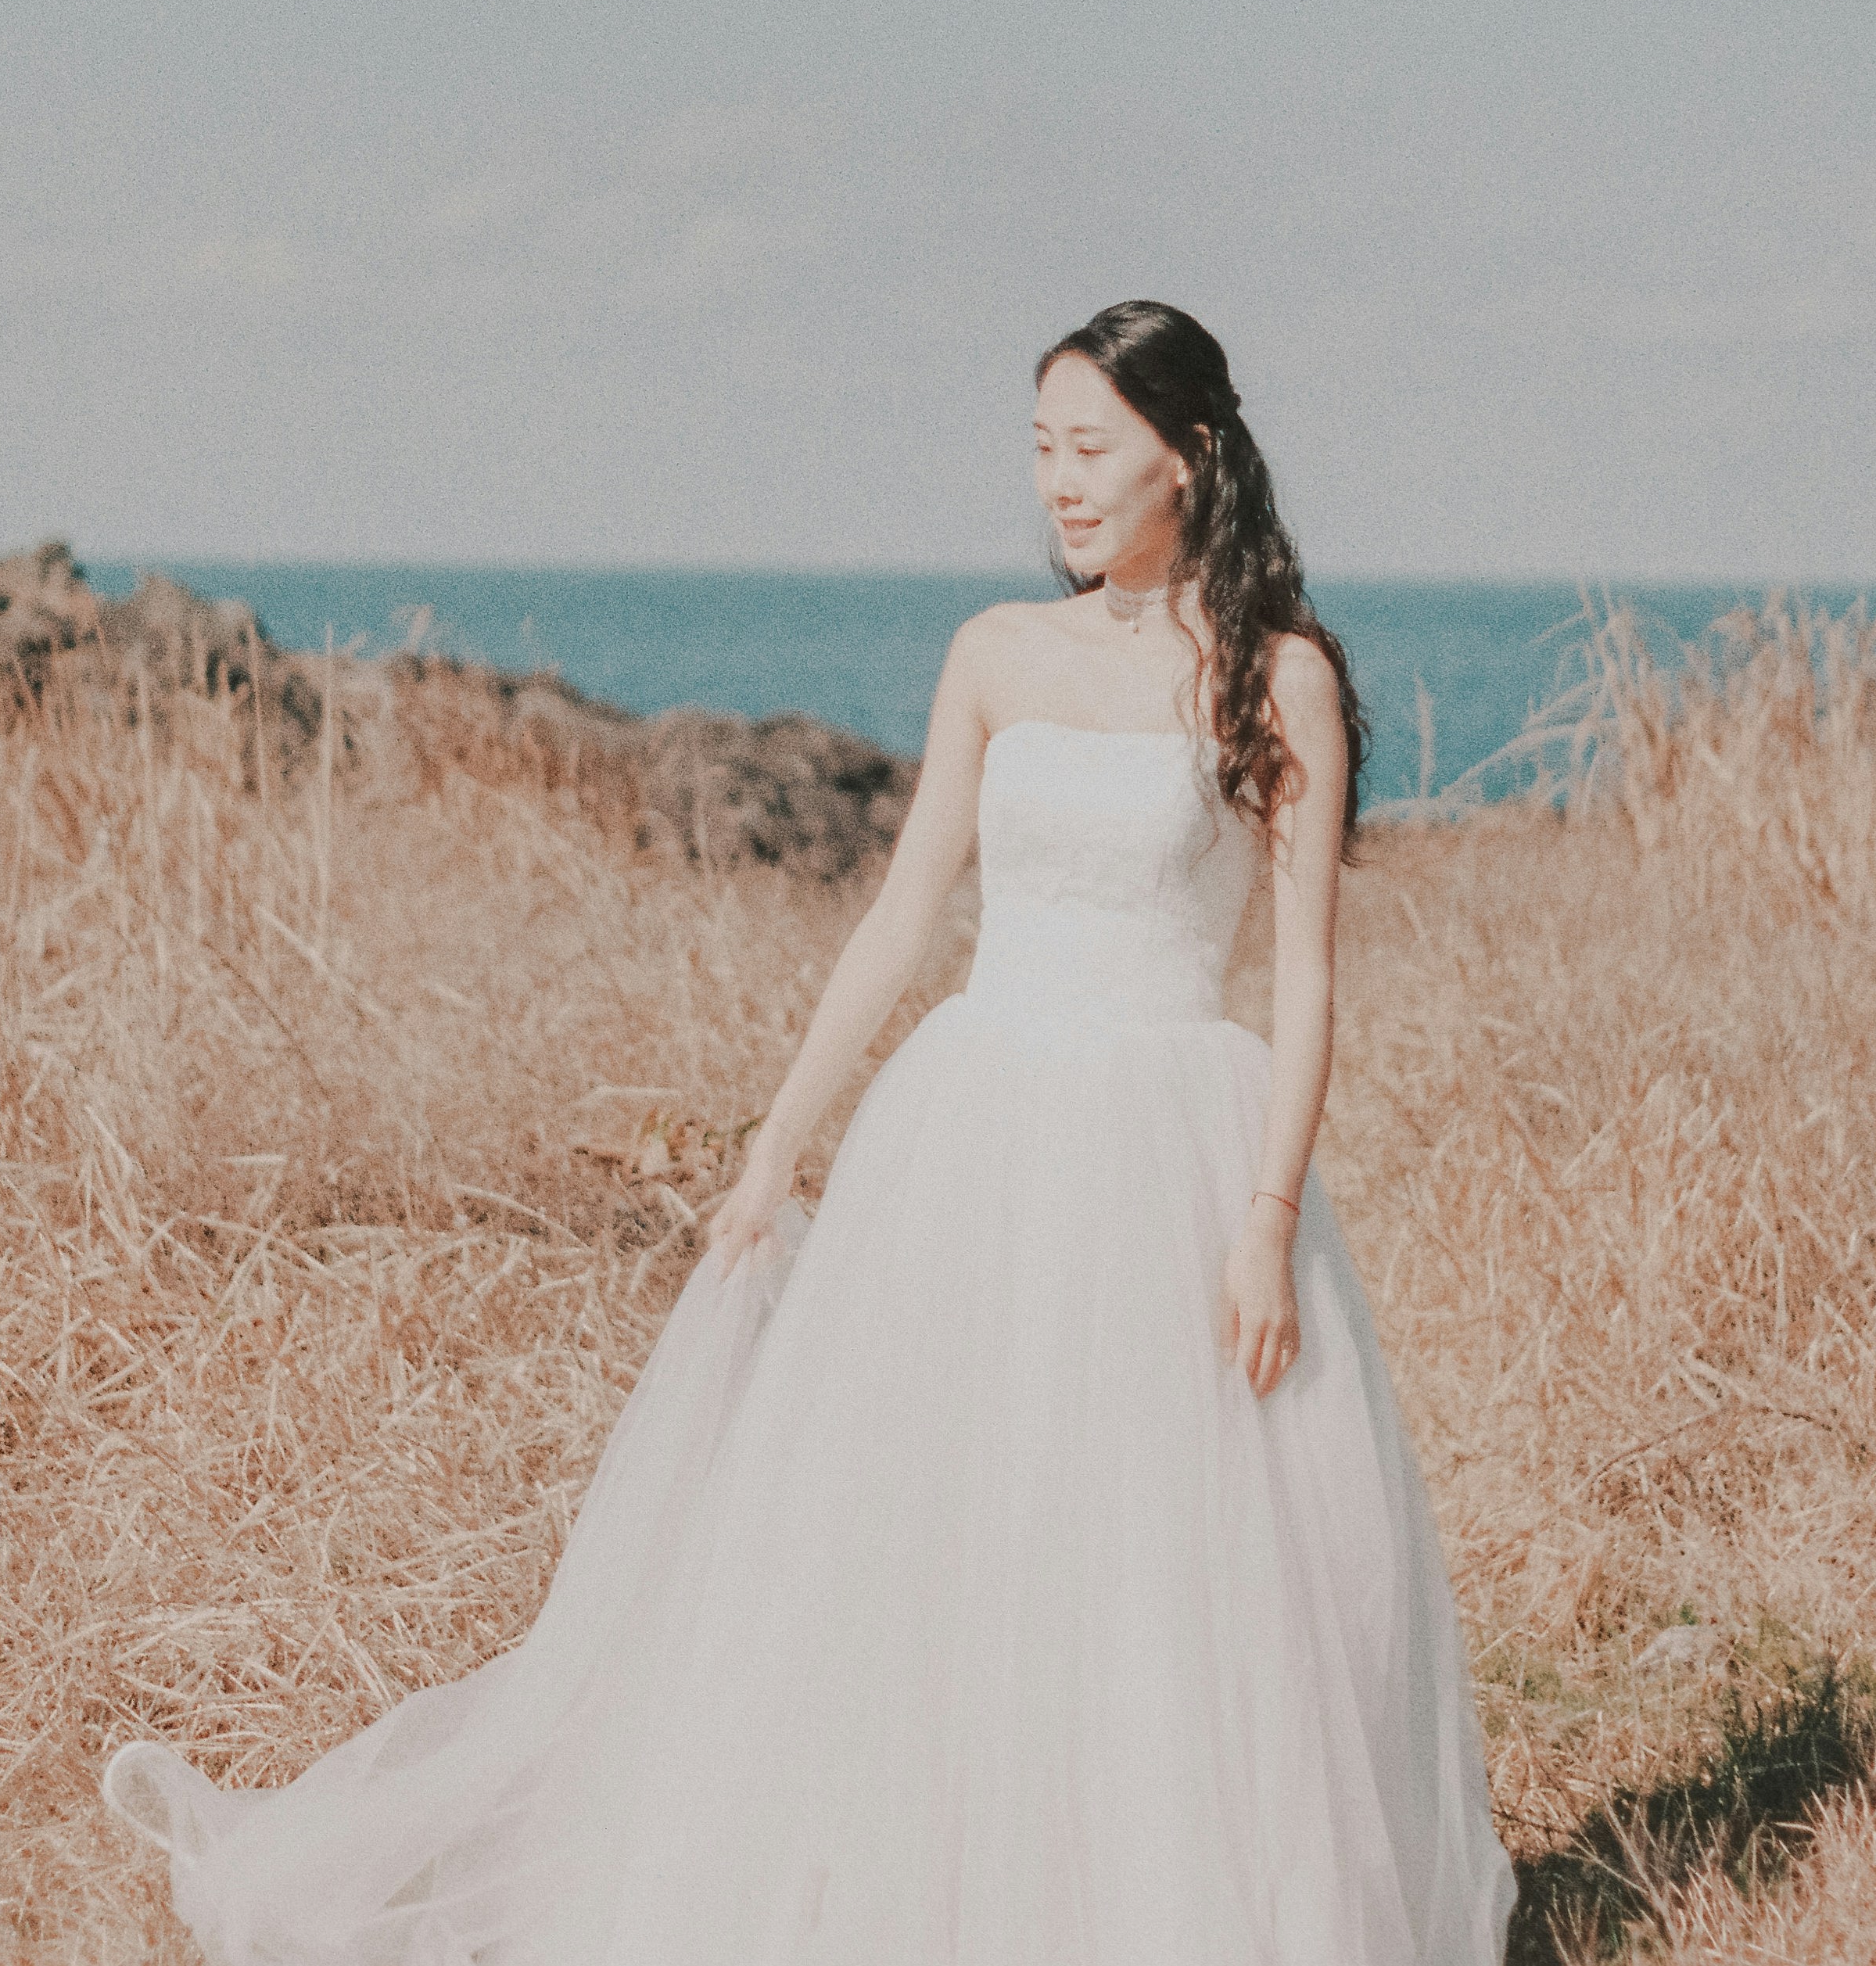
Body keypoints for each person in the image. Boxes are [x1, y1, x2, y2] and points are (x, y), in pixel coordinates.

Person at [103, 300, 1516, 1965]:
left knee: (1160, 1550)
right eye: (1038, 449)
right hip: (977, 1120)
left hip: (1174, 1141)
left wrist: (1268, 1212)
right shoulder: (997, 653)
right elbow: (906, 911)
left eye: (1087, 448)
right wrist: (779, 1135)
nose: (1054, 484)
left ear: (1188, 452)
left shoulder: (1278, 678)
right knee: (934, 1522)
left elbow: (1306, 975)